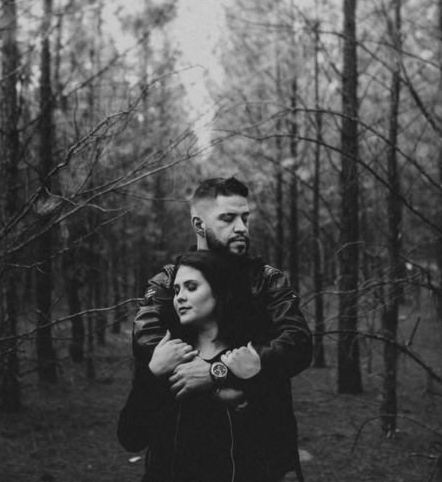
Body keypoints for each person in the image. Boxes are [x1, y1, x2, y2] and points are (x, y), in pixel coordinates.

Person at [130, 177, 310, 480]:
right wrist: (199, 372)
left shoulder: (266, 280)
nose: (242, 228)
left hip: (258, 453)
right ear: (199, 225)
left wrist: (218, 372)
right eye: (228, 218)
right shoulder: (170, 281)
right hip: (178, 452)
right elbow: (146, 340)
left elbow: (298, 344)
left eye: (245, 218)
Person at [118, 250, 297, 482]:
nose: (180, 297)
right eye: (176, 290)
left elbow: (279, 439)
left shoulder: (249, 355)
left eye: (191, 287)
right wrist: (152, 374)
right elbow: (131, 438)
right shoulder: (169, 355)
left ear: (220, 291)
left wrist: (230, 386)